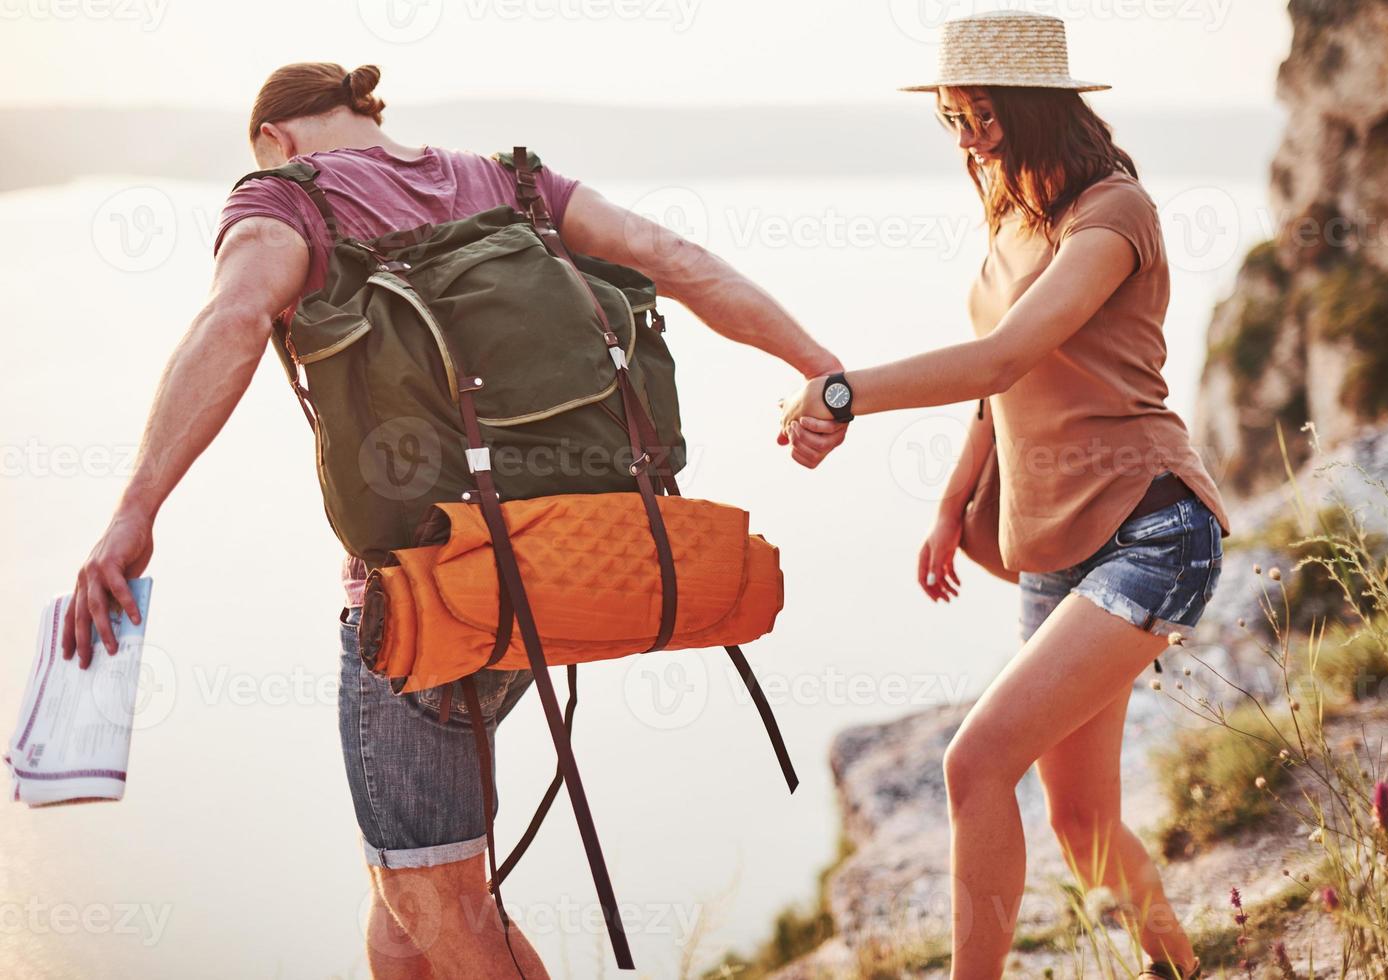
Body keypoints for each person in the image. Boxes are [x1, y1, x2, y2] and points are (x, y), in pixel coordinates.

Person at [60, 61, 846, 978]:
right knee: (403, 908)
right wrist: (819, 367)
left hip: (425, 602)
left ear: (275, 137)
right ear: (367, 112)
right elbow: (677, 262)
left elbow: (232, 320)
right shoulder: (511, 183)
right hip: (562, 573)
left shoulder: (285, 200)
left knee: (443, 912)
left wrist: (133, 512)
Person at [778, 13, 1226, 980]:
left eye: (984, 114)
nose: (970, 136)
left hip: (1151, 529)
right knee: (1082, 819)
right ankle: (1185, 971)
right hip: (1052, 545)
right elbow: (1003, 387)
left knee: (973, 765)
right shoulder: (1016, 219)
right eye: (952, 118)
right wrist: (952, 506)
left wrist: (844, 393)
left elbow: (1007, 352)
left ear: (1038, 107)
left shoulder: (1113, 214)